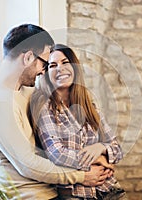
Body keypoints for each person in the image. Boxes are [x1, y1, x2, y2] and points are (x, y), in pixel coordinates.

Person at [0, 24, 110, 200]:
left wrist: (96, 154)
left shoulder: (24, 91)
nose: (43, 72)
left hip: (50, 190)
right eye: (45, 64)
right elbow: (28, 165)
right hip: (29, 196)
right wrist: (83, 176)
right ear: (28, 57)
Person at [28, 44, 126, 199]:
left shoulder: (89, 106)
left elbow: (117, 149)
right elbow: (57, 154)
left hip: (111, 191)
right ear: (46, 73)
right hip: (77, 195)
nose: (60, 68)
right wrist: (101, 159)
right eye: (53, 65)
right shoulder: (43, 106)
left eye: (65, 62)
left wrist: (100, 147)